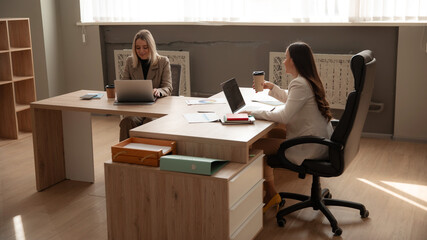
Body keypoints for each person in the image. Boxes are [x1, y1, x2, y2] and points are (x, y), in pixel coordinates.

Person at [244, 42, 333, 213]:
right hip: (321, 141)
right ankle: (271, 193)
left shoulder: (299, 83)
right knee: (272, 134)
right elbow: (293, 101)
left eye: (286, 57)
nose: (284, 61)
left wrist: (254, 112)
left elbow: (284, 116)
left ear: (294, 61)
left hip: (309, 146)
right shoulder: (308, 80)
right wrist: (273, 88)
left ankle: (268, 194)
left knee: (254, 146)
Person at [119, 29, 173, 141]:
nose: (141, 51)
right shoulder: (130, 62)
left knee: (150, 122)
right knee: (127, 121)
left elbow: (168, 87)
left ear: (151, 47)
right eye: (138, 48)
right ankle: (123, 154)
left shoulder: (163, 62)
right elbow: (124, 85)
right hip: (137, 107)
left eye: (145, 47)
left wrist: (159, 91)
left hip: (155, 108)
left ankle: (147, 156)